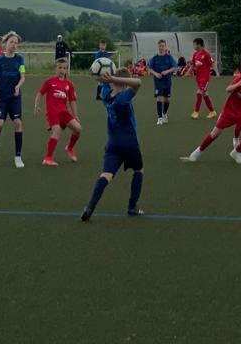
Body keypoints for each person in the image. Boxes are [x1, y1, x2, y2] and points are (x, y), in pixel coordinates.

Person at [81, 68, 145, 221]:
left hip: (112, 143)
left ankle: (90, 206)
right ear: (125, 83)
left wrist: (99, 75)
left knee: (106, 175)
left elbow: (101, 80)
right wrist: (114, 79)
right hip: (129, 142)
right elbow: (138, 83)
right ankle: (132, 206)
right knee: (139, 170)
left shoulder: (106, 95)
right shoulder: (123, 98)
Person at [33, 58, 81, 166]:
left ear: (66, 70)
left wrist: (75, 115)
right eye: (59, 67)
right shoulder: (50, 82)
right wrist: (36, 105)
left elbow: (72, 100)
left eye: (64, 68)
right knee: (57, 132)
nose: (62, 70)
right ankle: (48, 158)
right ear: (55, 68)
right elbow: (40, 93)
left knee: (78, 129)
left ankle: (69, 148)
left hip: (64, 113)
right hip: (53, 112)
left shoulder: (69, 84)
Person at [0, 31, 26, 168]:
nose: (14, 45)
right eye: (11, 42)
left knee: (17, 123)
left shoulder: (20, 59)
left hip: (15, 97)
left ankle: (18, 156)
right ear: (5, 43)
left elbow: (23, 76)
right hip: (2, 97)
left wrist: (18, 86)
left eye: (16, 43)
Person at [149, 39, 177, 126]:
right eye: (160, 46)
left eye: (162, 46)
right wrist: (156, 74)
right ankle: (160, 118)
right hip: (158, 81)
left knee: (167, 99)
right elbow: (150, 68)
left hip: (167, 81)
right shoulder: (154, 58)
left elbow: (175, 67)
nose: (161, 47)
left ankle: (164, 113)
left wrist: (167, 71)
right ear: (158, 47)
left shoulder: (169, 57)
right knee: (159, 98)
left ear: (165, 47)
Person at [189, 37, 218, 119]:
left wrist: (217, 72)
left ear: (199, 45)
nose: (193, 46)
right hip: (198, 78)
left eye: (194, 44)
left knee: (199, 93)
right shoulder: (195, 54)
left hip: (205, 78)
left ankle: (196, 112)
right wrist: (187, 73)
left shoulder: (206, 54)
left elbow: (213, 63)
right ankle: (212, 111)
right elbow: (193, 65)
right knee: (205, 94)